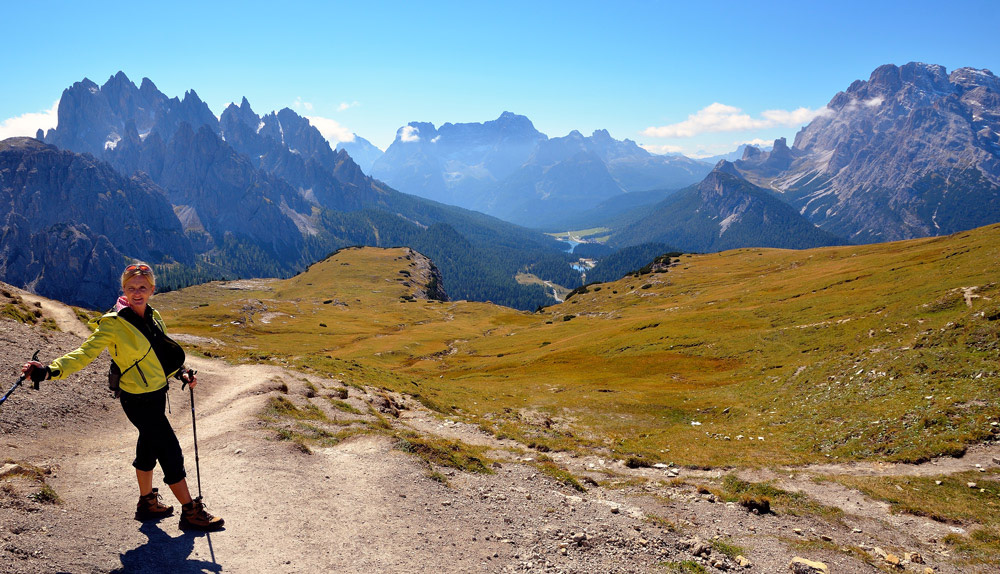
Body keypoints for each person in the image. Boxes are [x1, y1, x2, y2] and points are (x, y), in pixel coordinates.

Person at [21, 263, 224, 531]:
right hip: (136, 400)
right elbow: (84, 353)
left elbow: (161, 353)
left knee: (149, 445)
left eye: (142, 287)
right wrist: (49, 371)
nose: (137, 293)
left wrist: (181, 374)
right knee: (169, 450)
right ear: (123, 290)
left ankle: (147, 503)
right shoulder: (113, 323)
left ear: (152, 289)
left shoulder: (153, 315)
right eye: (131, 288)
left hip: (156, 394)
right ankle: (190, 512)